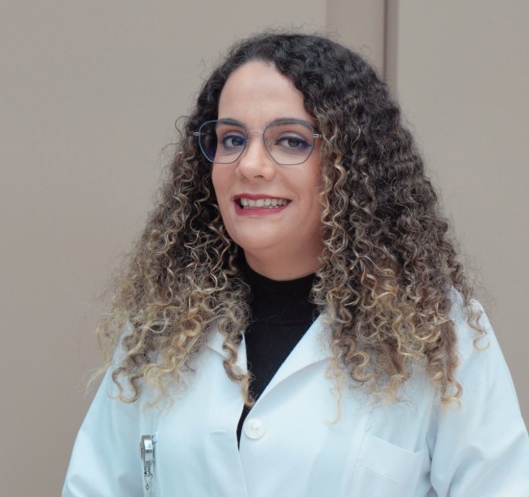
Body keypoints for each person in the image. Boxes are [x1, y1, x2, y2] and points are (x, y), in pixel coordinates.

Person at [63, 33, 529, 496]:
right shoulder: (163, 322)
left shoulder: (437, 332)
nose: (251, 165)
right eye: (232, 139)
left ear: (352, 164)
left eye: (289, 140)